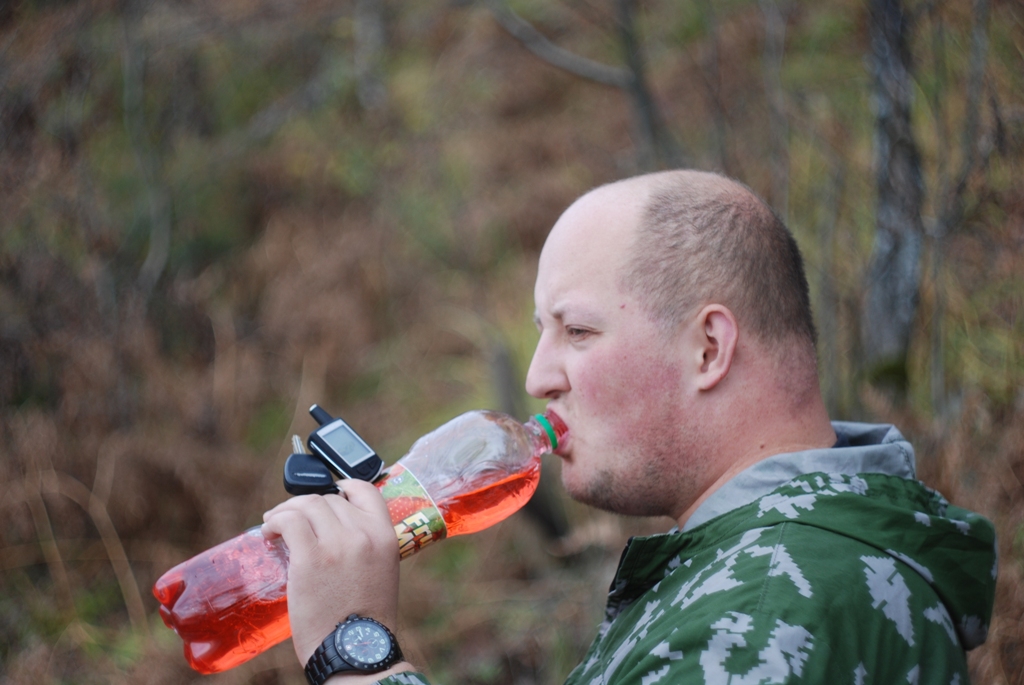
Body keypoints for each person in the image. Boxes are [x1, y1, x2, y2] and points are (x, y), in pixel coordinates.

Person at [262, 170, 996, 684]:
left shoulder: (771, 608)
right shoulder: (770, 570)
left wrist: (357, 654)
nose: (537, 377)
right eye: (541, 332)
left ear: (708, 349)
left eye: (577, 331)